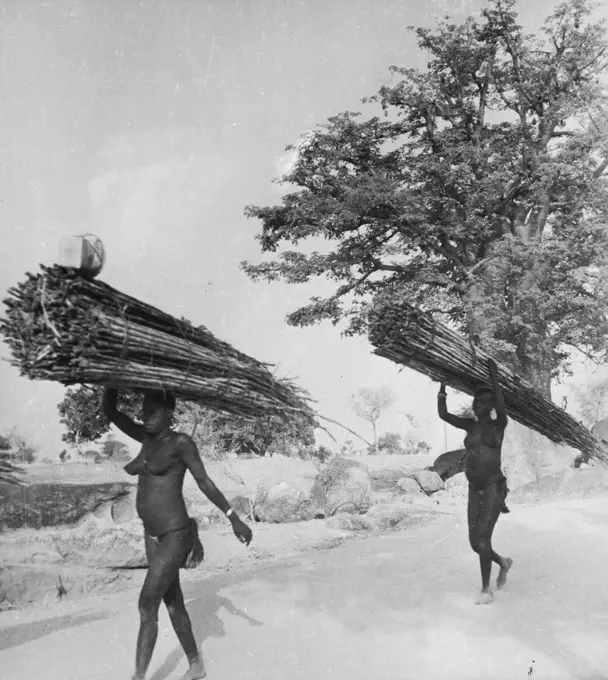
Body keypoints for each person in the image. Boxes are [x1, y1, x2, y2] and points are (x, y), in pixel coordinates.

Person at [102, 387, 253, 680]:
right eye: (143, 412)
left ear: (169, 414)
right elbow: (111, 412)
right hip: (151, 534)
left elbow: (204, 481)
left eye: (152, 413)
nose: (145, 418)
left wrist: (233, 517)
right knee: (173, 603)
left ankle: (139, 677)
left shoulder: (181, 443)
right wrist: (110, 382)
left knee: (147, 602)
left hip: (175, 534)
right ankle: (196, 665)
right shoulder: (145, 438)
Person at [437, 359, 513, 605]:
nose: (477, 404)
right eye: (475, 401)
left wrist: (494, 376)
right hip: (474, 488)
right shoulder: (469, 425)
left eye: (482, 402)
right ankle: (503, 562)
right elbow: (443, 415)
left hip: (493, 486)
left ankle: (485, 590)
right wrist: (442, 387)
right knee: (474, 543)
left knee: (482, 540)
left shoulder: (498, 425)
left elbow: (502, 403)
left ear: (491, 405)